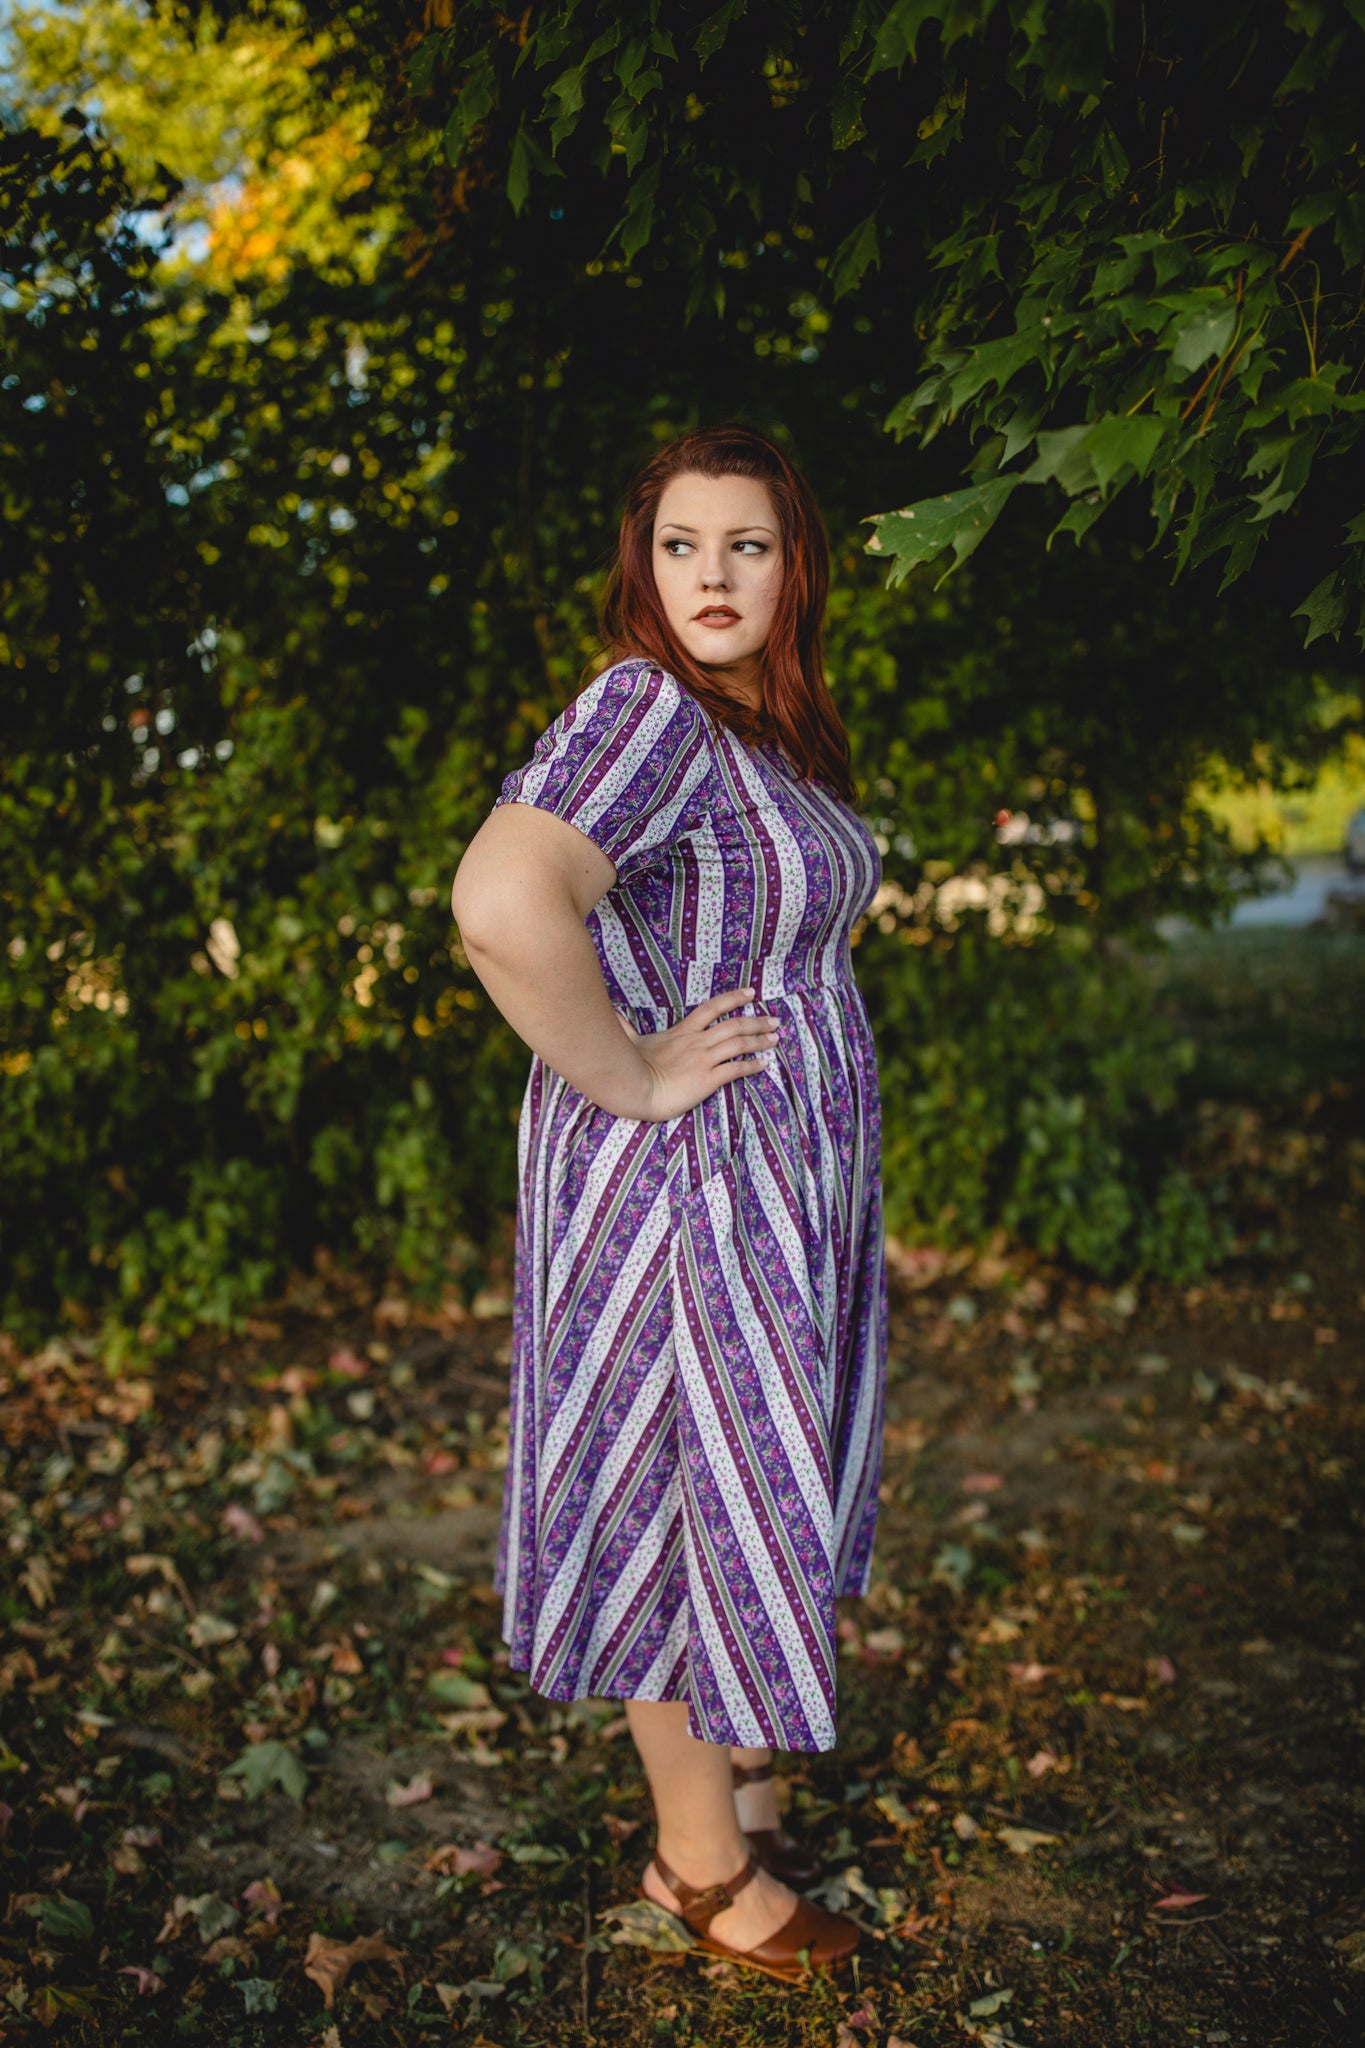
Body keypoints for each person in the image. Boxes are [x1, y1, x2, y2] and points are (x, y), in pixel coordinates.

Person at [450, 424, 888, 1983]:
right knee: (681, 1495)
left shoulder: (753, 730)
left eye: (747, 545)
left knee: (747, 1469)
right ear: (642, 567)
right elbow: (501, 900)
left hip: (771, 1182)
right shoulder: (644, 709)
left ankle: (739, 1786)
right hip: (681, 1184)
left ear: (794, 567)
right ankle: (695, 1869)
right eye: (681, 544)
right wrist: (628, 1074)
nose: (712, 574)